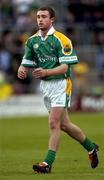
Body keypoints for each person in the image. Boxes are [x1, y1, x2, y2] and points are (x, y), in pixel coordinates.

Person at [17, 6, 99, 173]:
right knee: (65, 125)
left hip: (61, 84)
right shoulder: (32, 41)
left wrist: (46, 71)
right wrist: (21, 69)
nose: (40, 19)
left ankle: (47, 163)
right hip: (45, 86)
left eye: (44, 16)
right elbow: (27, 61)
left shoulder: (62, 40)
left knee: (54, 123)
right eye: (38, 16)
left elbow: (64, 67)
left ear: (52, 19)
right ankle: (91, 148)